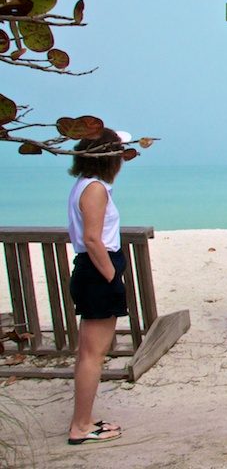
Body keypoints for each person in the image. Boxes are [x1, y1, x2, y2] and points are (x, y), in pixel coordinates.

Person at [66, 128, 130, 446]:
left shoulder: (88, 186)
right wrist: (109, 274)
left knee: (89, 353)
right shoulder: (94, 189)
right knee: (93, 354)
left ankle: (85, 420)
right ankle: (81, 425)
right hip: (96, 273)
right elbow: (92, 238)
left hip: (93, 271)